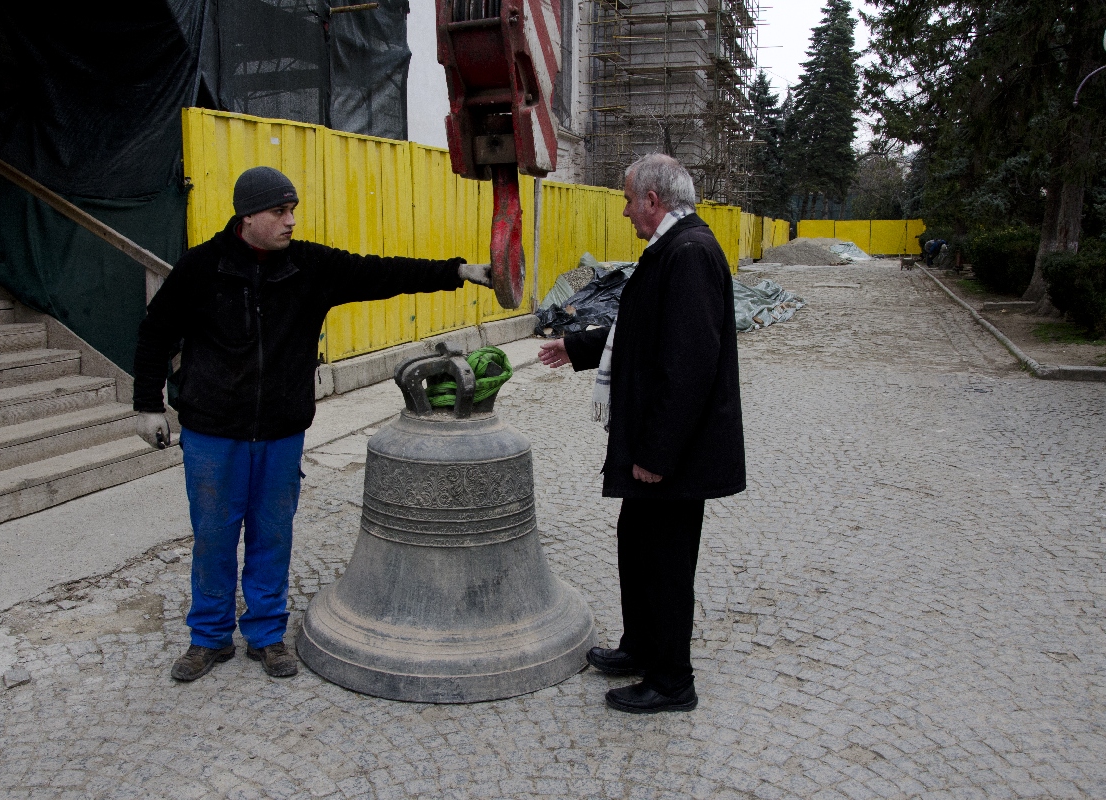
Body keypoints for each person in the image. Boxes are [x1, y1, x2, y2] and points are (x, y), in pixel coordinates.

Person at [133, 166, 491, 682]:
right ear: (247, 215)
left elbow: (380, 273)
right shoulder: (201, 267)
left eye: (293, 210)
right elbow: (155, 334)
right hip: (214, 431)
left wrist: (457, 271)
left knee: (271, 533)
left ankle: (265, 634)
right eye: (279, 211)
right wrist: (148, 404)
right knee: (213, 535)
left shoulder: (309, 267)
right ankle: (208, 637)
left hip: (280, 430)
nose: (290, 221)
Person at [538, 154, 745, 713]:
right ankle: (641, 646)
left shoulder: (691, 254)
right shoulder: (672, 249)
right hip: (657, 447)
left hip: (673, 454)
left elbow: (690, 365)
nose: (626, 211)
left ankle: (673, 681)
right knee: (638, 546)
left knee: (666, 561)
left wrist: (656, 453)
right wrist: (576, 345)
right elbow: (639, 328)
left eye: (629, 199)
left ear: (653, 200)